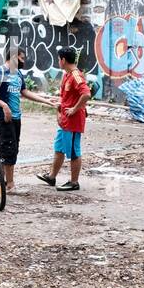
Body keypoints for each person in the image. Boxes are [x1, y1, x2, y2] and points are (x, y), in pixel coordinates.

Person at [0, 45, 49, 195]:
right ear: (13, 57)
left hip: (16, 117)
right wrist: (4, 105)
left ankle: (0, 176)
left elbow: (24, 92)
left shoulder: (17, 73)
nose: (23, 61)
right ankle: (7, 185)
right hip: (3, 117)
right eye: (21, 58)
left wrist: (46, 101)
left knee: (12, 149)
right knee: (9, 150)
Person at [37, 47, 92, 191]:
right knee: (59, 149)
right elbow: (64, 99)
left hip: (73, 122)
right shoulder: (67, 75)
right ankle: (51, 177)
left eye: (58, 59)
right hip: (65, 122)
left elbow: (86, 94)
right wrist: (59, 113)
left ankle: (74, 182)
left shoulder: (76, 75)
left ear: (63, 60)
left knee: (74, 151)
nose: (58, 62)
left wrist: (74, 109)